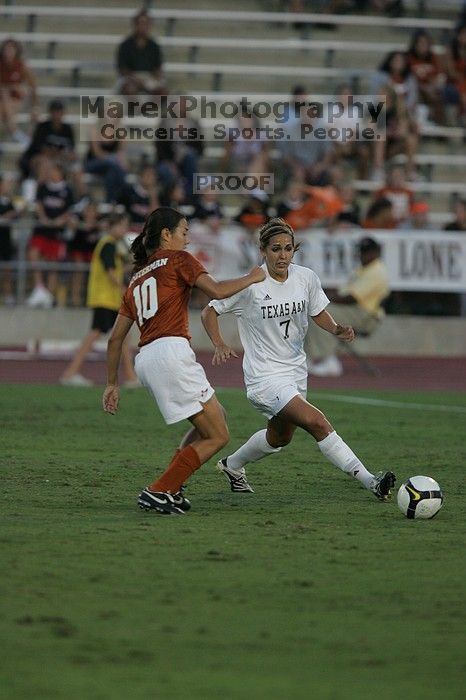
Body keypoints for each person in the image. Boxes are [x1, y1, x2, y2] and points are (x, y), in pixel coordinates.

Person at [201, 218, 395, 500]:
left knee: (280, 438)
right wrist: (218, 342)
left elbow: (317, 310)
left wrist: (336, 328)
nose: (282, 255)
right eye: (276, 249)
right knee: (317, 422)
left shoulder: (306, 277)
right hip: (264, 377)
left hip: (295, 372)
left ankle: (233, 465)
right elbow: (210, 311)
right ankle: (371, 481)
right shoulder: (251, 284)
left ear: (294, 250)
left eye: (288, 249)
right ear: (263, 251)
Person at [102, 207, 266, 515]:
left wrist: (112, 383)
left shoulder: (136, 278)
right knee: (219, 435)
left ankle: (171, 487)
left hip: (147, 358)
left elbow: (114, 339)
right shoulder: (178, 260)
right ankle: (160, 489)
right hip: (170, 353)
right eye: (184, 232)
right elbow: (216, 291)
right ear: (167, 234)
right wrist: (253, 276)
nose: (187, 239)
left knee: (215, 415)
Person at [60, 213, 138, 386]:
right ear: (114, 226)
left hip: (109, 299)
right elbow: (111, 274)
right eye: (123, 226)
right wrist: (124, 289)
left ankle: (131, 376)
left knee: (124, 336)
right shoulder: (108, 244)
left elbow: (115, 269)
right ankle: (70, 373)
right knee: (95, 334)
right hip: (105, 298)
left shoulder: (110, 246)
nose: (125, 230)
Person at [306, 237, 390, 376]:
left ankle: (329, 361)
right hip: (355, 311)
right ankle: (306, 359)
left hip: (366, 316)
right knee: (312, 310)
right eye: (361, 252)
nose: (363, 255)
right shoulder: (363, 269)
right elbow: (342, 292)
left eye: (367, 252)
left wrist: (321, 298)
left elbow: (351, 298)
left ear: (376, 252)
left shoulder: (377, 271)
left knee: (320, 312)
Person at [26, 161, 74, 308]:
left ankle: (49, 295)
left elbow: (69, 210)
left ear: (61, 173)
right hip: (42, 229)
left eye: (55, 171)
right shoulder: (43, 187)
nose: (52, 174)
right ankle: (39, 287)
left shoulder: (67, 190)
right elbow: (39, 204)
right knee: (34, 254)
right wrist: (43, 218)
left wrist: (61, 220)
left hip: (56, 232)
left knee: (53, 263)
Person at [116, 9, 166, 96]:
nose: (142, 26)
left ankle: (150, 109)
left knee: (163, 92)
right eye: (140, 23)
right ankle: (136, 109)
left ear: (149, 26)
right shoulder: (125, 45)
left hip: (149, 77)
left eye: (145, 24)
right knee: (129, 91)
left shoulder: (154, 46)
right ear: (134, 25)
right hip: (130, 78)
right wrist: (135, 79)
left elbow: (158, 68)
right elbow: (122, 69)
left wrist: (151, 79)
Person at [0, 38, 38, 144]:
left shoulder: (21, 66)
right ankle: (15, 132)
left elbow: (33, 86)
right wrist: (12, 87)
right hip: (4, 100)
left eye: (11, 49)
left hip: (15, 100)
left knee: (5, 101)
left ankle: (14, 133)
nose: (8, 52)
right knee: (4, 97)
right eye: (6, 50)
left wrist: (35, 107)